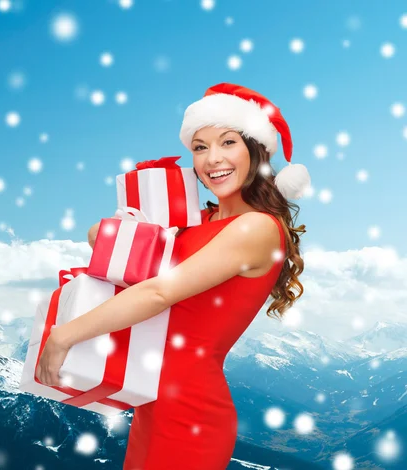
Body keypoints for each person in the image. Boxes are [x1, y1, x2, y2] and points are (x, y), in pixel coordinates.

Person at [35, 83, 309, 469]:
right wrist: (128, 222)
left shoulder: (256, 229)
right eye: (200, 147)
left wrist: (64, 335)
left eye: (227, 142)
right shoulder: (201, 222)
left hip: (191, 411)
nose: (213, 159)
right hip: (152, 399)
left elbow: (159, 292)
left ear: (254, 150)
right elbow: (115, 255)